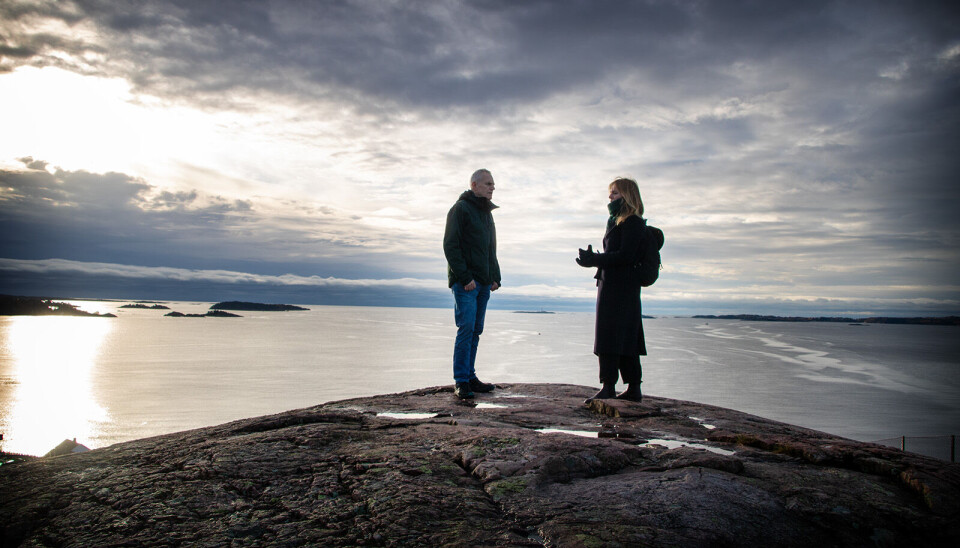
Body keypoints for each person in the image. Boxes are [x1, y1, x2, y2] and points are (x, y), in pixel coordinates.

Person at [576, 177, 656, 403]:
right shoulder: (616, 221)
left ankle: (611, 386)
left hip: (622, 287)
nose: (610, 197)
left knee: (614, 336)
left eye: (615, 193)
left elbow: (625, 256)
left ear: (628, 196)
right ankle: (630, 388)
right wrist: (594, 261)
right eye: (610, 193)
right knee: (620, 336)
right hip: (613, 284)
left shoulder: (633, 222)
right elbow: (618, 255)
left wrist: (595, 260)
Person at [443, 169, 502, 399]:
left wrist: (495, 276)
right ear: (474, 185)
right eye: (488, 183)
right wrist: (465, 277)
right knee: (466, 329)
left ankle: (470, 376)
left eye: (493, 184)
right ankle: (461, 381)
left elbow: (490, 248)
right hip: (466, 283)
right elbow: (451, 246)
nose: (492, 187)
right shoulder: (460, 209)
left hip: (484, 283)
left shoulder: (487, 213)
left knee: (476, 330)